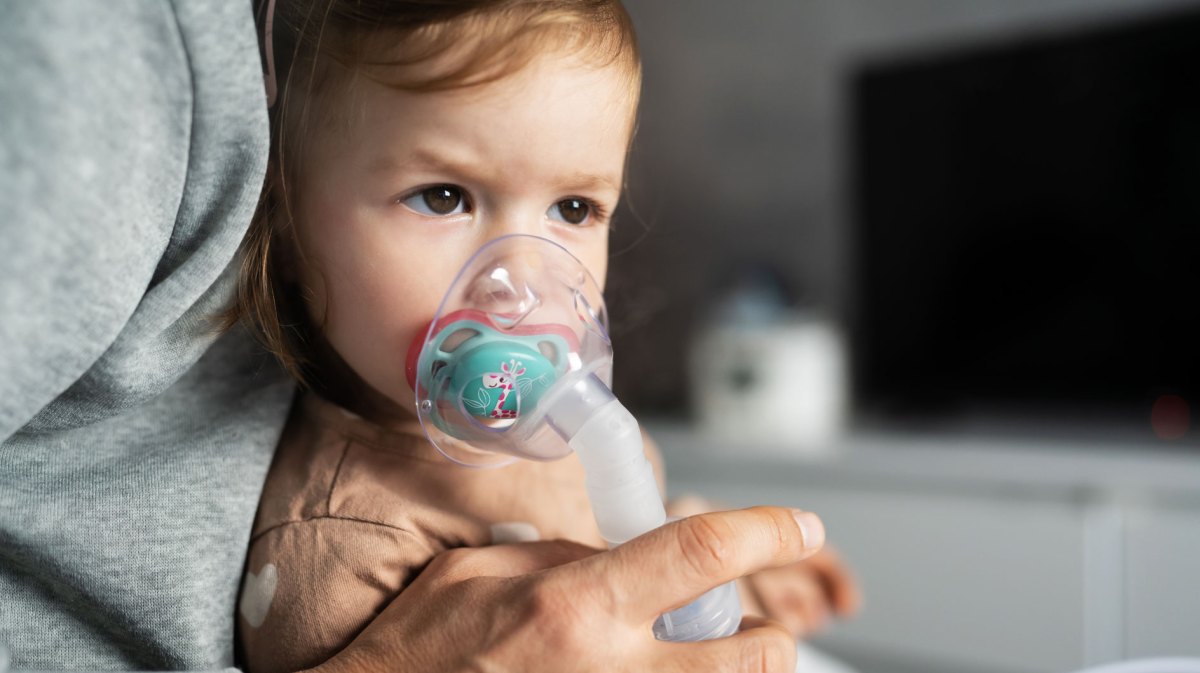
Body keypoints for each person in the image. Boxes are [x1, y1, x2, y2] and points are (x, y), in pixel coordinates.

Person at [0, 2, 842, 672]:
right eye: (443, 197)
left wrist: (699, 578)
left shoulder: (562, 439)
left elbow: (609, 541)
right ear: (288, 223)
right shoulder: (349, 556)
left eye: (574, 209)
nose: (521, 285)